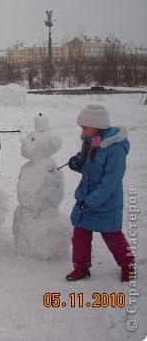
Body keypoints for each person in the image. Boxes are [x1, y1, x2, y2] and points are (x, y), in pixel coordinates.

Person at [65, 103, 135, 282]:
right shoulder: (91, 142)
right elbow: (90, 169)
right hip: (85, 199)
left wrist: (90, 201)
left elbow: (110, 182)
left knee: (113, 238)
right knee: (80, 236)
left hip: (106, 203)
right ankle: (81, 268)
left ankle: (128, 265)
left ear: (99, 127)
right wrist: (78, 163)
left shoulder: (116, 149)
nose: (82, 132)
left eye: (85, 128)